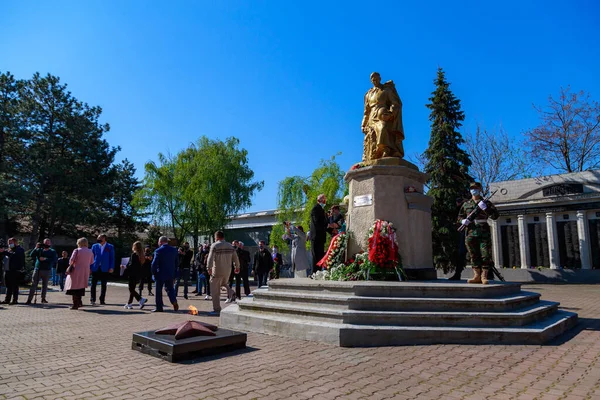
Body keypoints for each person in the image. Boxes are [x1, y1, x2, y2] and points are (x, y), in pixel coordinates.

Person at [458, 182, 500, 285]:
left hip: (483, 231)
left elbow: (495, 216)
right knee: (473, 255)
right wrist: (462, 221)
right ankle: (476, 276)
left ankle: (484, 276)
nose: (474, 190)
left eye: (476, 188)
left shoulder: (486, 203)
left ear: (480, 189)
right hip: (471, 232)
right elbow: (460, 216)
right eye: (472, 188)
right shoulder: (466, 204)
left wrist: (486, 208)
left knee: (485, 255)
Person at [361, 71, 404, 161]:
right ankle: (376, 152)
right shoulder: (368, 94)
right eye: (373, 79)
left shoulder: (386, 90)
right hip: (372, 117)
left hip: (382, 114)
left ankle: (385, 150)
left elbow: (395, 103)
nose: (375, 80)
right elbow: (366, 111)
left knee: (383, 127)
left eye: (376, 78)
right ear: (371, 81)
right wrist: (363, 124)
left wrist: (391, 113)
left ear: (380, 79)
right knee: (373, 132)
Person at [206, 231, 239, 314]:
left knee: (215, 290)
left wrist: (209, 267)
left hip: (217, 270)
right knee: (223, 284)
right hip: (227, 270)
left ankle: (217, 309)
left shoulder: (215, 245)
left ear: (216, 237)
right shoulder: (230, 246)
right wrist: (237, 267)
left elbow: (210, 258)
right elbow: (236, 258)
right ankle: (231, 292)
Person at [150, 236, 179, 313]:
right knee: (170, 289)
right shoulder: (174, 250)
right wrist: (175, 274)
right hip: (170, 273)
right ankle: (174, 301)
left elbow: (154, 264)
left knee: (158, 291)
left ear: (160, 242)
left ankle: (159, 307)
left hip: (160, 274)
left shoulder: (158, 251)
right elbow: (177, 263)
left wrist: (153, 273)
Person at [64, 238, 94, 310]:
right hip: (85, 271)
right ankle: (79, 302)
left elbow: (71, 261)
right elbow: (92, 261)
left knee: (74, 287)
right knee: (81, 287)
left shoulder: (77, 250)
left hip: (76, 270)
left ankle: (75, 304)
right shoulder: (90, 251)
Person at [26, 238, 58, 304]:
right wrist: (35, 248)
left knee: (45, 285)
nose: (47, 244)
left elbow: (54, 259)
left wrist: (45, 259)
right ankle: (29, 299)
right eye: (45, 243)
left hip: (47, 270)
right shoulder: (39, 250)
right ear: (43, 243)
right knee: (34, 284)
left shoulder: (52, 251)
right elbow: (31, 255)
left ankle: (43, 298)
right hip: (38, 269)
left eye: (48, 243)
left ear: (50, 244)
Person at [121, 241, 148, 310]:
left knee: (131, 289)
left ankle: (141, 299)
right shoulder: (141, 255)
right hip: (138, 274)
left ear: (135, 247)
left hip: (132, 274)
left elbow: (131, 265)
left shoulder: (134, 255)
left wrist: (124, 266)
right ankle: (129, 304)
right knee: (132, 289)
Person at [90, 234, 115, 305]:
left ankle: (102, 299)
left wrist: (111, 267)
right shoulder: (94, 246)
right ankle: (92, 299)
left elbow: (112, 258)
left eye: (99, 238)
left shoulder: (110, 247)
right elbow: (91, 257)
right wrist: (90, 267)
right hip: (95, 267)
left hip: (105, 268)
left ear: (104, 238)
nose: (98, 239)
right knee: (93, 284)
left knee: (104, 285)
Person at [1, 237, 25, 305]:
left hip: (14, 270)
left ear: (15, 242)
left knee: (14, 285)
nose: (9, 244)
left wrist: (5, 252)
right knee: (8, 286)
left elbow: (15, 257)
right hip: (7, 270)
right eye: (9, 243)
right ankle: (7, 300)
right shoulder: (9, 250)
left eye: (11, 243)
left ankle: (15, 300)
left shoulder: (20, 250)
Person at [309, 194, 328, 272]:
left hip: (320, 237)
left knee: (320, 255)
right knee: (316, 255)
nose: (324, 201)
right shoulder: (316, 209)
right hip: (316, 236)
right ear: (319, 200)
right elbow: (317, 222)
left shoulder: (321, 209)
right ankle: (314, 272)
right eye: (323, 199)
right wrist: (326, 223)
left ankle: (318, 271)